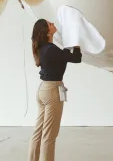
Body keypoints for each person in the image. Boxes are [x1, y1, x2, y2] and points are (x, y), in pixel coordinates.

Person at [28, 19, 82, 161]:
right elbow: (77, 58)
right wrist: (76, 41)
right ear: (47, 32)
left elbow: (62, 54)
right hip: (52, 91)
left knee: (38, 132)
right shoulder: (51, 49)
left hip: (43, 90)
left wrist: (67, 46)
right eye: (49, 24)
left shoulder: (43, 48)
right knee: (49, 136)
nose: (52, 23)